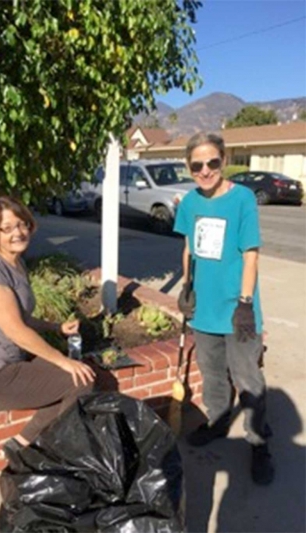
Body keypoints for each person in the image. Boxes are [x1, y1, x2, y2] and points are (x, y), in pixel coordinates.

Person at [174, 132, 274, 485]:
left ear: (223, 160)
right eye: (197, 164)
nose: (205, 170)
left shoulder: (243, 199)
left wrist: (245, 304)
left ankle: (259, 443)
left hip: (238, 311)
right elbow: (189, 249)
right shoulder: (189, 202)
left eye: (212, 162)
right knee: (213, 375)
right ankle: (218, 423)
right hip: (204, 310)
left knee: (248, 379)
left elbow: (251, 254)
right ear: (189, 167)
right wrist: (187, 288)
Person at [0, 196, 95, 454]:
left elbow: (19, 316)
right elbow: (16, 330)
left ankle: (24, 444)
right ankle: (38, 447)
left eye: (22, 224)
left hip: (8, 365)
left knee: (78, 371)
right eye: (7, 228)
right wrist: (63, 361)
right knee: (79, 380)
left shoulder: (14, 262)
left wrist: (56, 328)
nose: (18, 233)